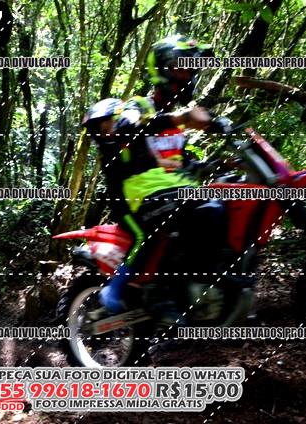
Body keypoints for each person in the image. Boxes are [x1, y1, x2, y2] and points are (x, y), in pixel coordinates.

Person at [82, 34, 233, 316]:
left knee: (221, 203)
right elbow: (126, 127)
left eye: (192, 69)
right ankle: (160, 296)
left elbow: (179, 164)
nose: (188, 75)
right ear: (162, 70)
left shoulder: (177, 126)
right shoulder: (138, 106)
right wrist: (182, 117)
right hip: (142, 196)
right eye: (181, 68)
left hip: (173, 190)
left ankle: (210, 285)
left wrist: (220, 163)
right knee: (199, 212)